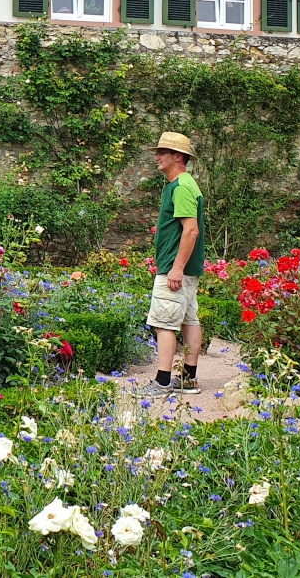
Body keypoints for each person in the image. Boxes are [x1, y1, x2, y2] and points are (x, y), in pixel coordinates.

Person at [135, 132, 206, 399]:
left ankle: (162, 381)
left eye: (162, 152)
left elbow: (190, 231)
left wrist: (176, 268)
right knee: (190, 320)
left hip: (176, 268)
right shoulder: (183, 184)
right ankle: (188, 379)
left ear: (178, 157)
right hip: (187, 268)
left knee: (164, 322)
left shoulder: (182, 187)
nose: (157, 157)